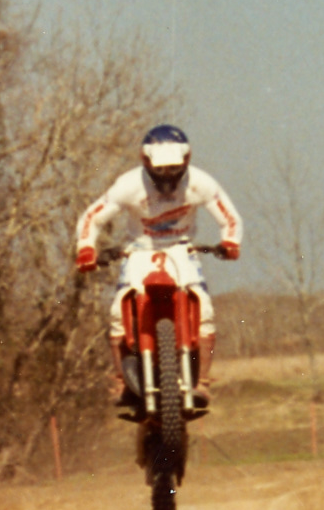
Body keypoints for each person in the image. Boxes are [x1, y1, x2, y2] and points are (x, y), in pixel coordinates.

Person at [75, 123, 243, 407]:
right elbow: (92, 216)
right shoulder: (128, 185)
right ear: (147, 161)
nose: (167, 176)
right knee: (118, 312)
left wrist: (230, 241)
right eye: (161, 169)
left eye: (173, 168)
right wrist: (86, 248)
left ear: (186, 160)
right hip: (138, 250)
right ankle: (121, 381)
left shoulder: (200, 183)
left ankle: (202, 382)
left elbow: (230, 218)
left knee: (204, 309)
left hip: (182, 249)